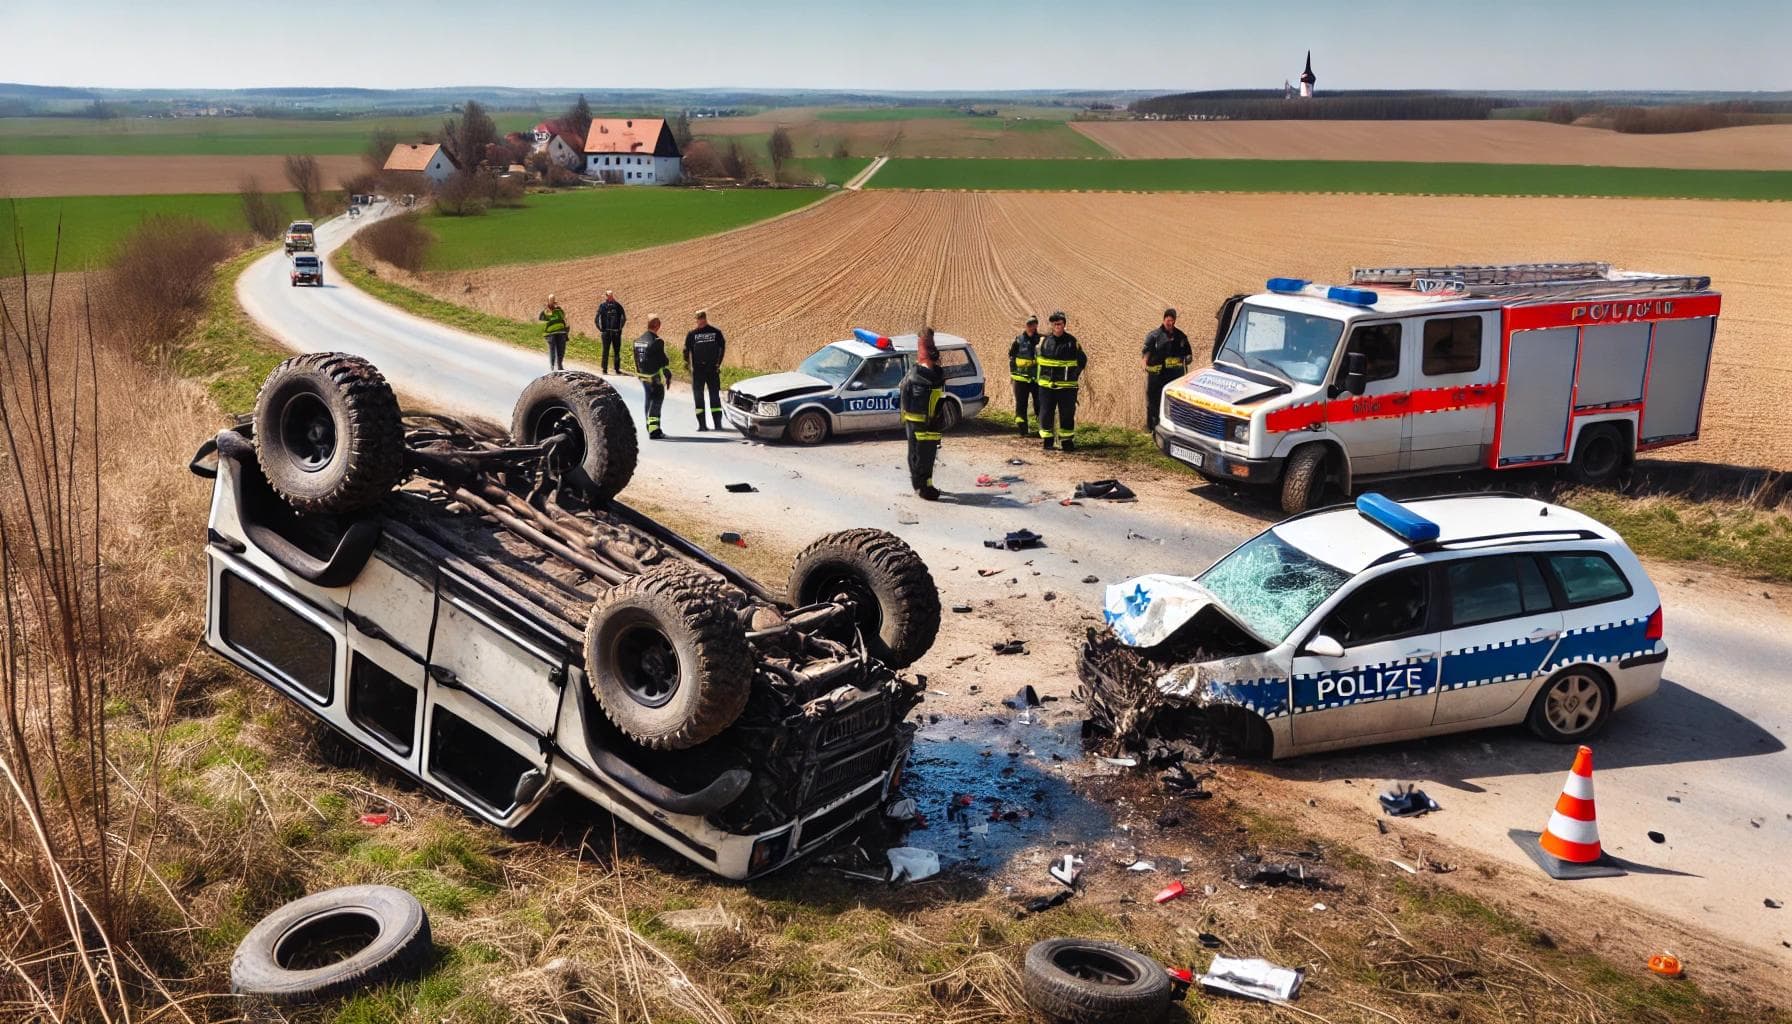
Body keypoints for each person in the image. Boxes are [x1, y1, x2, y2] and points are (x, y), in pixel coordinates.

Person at [899, 327, 946, 501]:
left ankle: (925, 484)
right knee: (920, 455)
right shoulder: (915, 377)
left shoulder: (934, 375)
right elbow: (905, 397)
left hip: (931, 423)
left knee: (928, 455)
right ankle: (922, 486)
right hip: (918, 424)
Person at [1035, 311, 1087, 452]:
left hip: (1067, 388)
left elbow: (1082, 360)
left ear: (1064, 325)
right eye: (1054, 323)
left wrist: (1074, 375)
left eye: (1060, 323)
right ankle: (1048, 441)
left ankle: (1066, 441)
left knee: (1067, 414)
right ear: (1051, 325)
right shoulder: (1044, 342)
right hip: (1046, 387)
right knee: (1045, 413)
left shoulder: (1072, 342)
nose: (1057, 326)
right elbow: (1037, 360)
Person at [1141, 307, 1191, 431]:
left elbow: (1188, 355)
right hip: (1157, 375)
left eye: (1173, 321)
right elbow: (1145, 354)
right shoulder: (1153, 336)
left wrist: (1186, 359)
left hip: (1175, 376)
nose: (1171, 323)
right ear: (1164, 320)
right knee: (1153, 401)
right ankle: (1152, 428)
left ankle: (1171, 428)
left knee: (1174, 402)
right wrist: (1145, 365)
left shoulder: (1181, 337)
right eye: (1168, 320)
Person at [683, 310, 726, 431]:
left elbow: (722, 347)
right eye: (698, 318)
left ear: (705, 318)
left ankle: (718, 424)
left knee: (714, 396)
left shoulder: (715, 332)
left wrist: (718, 363)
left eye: (702, 318)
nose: (700, 320)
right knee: (698, 397)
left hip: (712, 369)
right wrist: (687, 363)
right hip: (698, 371)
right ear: (696, 320)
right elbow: (686, 350)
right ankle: (702, 425)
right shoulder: (692, 334)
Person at [632, 315, 672, 439]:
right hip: (653, 376)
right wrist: (667, 374)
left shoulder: (638, 340)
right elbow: (663, 360)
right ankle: (654, 431)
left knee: (648, 399)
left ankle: (649, 426)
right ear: (657, 326)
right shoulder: (657, 341)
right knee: (657, 400)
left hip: (642, 376)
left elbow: (635, 358)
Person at [1008, 314, 1041, 437]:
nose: (1031, 327)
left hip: (1036, 379)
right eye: (1029, 324)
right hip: (1020, 379)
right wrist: (1013, 374)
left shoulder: (1042, 340)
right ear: (1026, 326)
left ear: (1036, 325)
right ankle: (1023, 430)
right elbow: (1011, 356)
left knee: (1040, 404)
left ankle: (1042, 430)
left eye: (1033, 324)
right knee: (1021, 405)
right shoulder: (1018, 340)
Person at [596, 289, 627, 375]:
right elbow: (596, 318)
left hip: (616, 332)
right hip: (606, 333)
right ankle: (604, 369)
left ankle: (617, 369)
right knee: (605, 351)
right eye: (608, 295)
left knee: (617, 351)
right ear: (606, 296)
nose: (610, 297)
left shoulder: (617, 306)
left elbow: (624, 317)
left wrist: (620, 328)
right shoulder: (602, 306)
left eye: (611, 295)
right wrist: (601, 329)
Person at [537, 294, 569, 371]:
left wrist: (566, 331)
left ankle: (560, 366)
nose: (552, 301)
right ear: (548, 301)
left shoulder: (559, 310)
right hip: (550, 333)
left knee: (561, 349)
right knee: (552, 350)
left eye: (553, 299)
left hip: (561, 332)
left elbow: (564, 318)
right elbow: (541, 321)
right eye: (551, 300)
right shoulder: (545, 311)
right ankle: (553, 367)